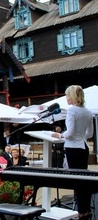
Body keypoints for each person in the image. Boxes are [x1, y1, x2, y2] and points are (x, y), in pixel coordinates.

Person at [51, 85, 94, 220]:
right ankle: (85, 209)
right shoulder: (87, 111)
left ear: (73, 96)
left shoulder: (72, 111)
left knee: (76, 180)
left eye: (67, 95)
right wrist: (80, 136)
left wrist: (59, 136)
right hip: (84, 146)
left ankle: (81, 212)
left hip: (73, 148)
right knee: (83, 178)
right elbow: (90, 133)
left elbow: (69, 133)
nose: (66, 98)